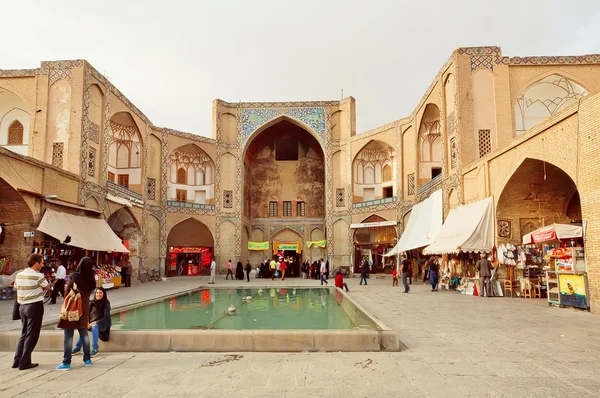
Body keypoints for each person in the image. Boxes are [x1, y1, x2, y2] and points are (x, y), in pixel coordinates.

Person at [56, 256, 97, 370]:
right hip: (84, 309)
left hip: (73, 309)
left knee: (68, 335)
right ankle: (87, 359)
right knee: (84, 333)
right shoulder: (91, 278)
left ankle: (66, 362)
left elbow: (67, 292)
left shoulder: (74, 276)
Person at [13, 254, 51, 370]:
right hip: (34, 306)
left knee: (24, 333)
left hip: (22, 307)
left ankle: (17, 360)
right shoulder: (37, 276)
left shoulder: (19, 275)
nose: (43, 264)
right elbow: (47, 287)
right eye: (42, 262)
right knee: (32, 335)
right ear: (36, 263)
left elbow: (16, 287)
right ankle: (25, 362)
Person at [72, 287, 111, 357]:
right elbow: (86, 314)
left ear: (104, 294)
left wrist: (94, 323)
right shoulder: (91, 302)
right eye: (97, 293)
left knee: (94, 326)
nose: (98, 294)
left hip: (102, 323)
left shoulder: (106, 303)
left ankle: (95, 348)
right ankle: (78, 347)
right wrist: (86, 322)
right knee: (83, 327)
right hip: (91, 323)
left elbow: (106, 318)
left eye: (100, 293)